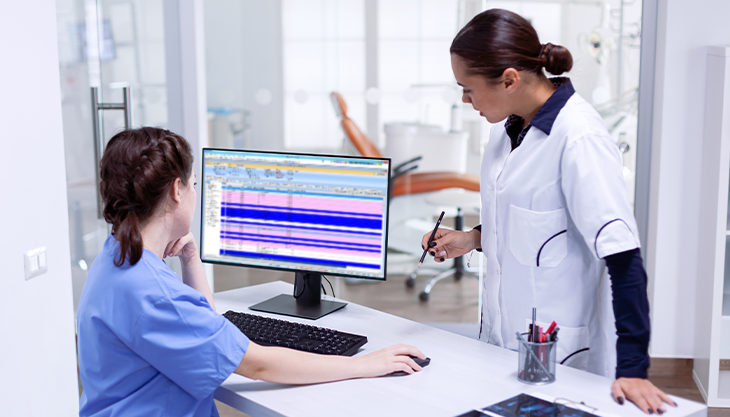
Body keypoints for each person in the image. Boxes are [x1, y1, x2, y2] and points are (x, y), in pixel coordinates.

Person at [421, 9, 674, 415]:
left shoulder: (579, 139)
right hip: (500, 345)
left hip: (562, 357)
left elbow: (624, 259)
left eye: (467, 89)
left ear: (509, 79)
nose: (465, 100)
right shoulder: (503, 133)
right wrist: (471, 239)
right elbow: (536, 223)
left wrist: (634, 368)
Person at [76, 127, 426, 416]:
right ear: (176, 191)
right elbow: (257, 366)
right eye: (194, 184)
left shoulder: (116, 260)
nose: (196, 192)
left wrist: (190, 257)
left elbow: (200, 326)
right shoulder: (155, 293)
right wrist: (365, 364)